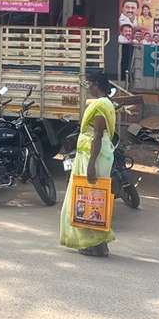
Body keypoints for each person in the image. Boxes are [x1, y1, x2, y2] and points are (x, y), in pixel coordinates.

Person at [60, 72, 117, 257]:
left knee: (90, 200)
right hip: (95, 154)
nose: (88, 88)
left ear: (96, 84)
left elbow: (97, 136)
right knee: (93, 200)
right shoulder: (106, 103)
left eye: (89, 84)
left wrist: (91, 164)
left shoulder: (100, 106)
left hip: (94, 156)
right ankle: (99, 244)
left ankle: (95, 244)